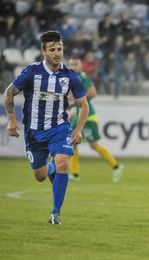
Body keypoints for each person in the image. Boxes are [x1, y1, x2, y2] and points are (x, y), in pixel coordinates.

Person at [3, 31, 89, 225]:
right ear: (44, 52)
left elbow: (84, 104)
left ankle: (55, 213)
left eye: (59, 49)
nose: (57, 53)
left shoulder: (70, 76)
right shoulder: (32, 72)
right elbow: (9, 94)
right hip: (34, 133)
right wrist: (11, 120)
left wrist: (78, 130)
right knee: (40, 176)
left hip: (59, 128)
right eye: (52, 49)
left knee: (63, 163)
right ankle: (49, 168)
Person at [68, 57, 124, 182]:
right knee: (72, 144)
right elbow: (81, 102)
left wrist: (75, 98)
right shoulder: (74, 79)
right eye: (71, 65)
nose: (73, 67)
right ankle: (75, 174)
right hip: (79, 115)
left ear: (81, 65)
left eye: (76, 64)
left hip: (87, 117)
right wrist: (73, 113)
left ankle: (116, 166)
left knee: (93, 145)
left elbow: (92, 93)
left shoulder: (83, 77)